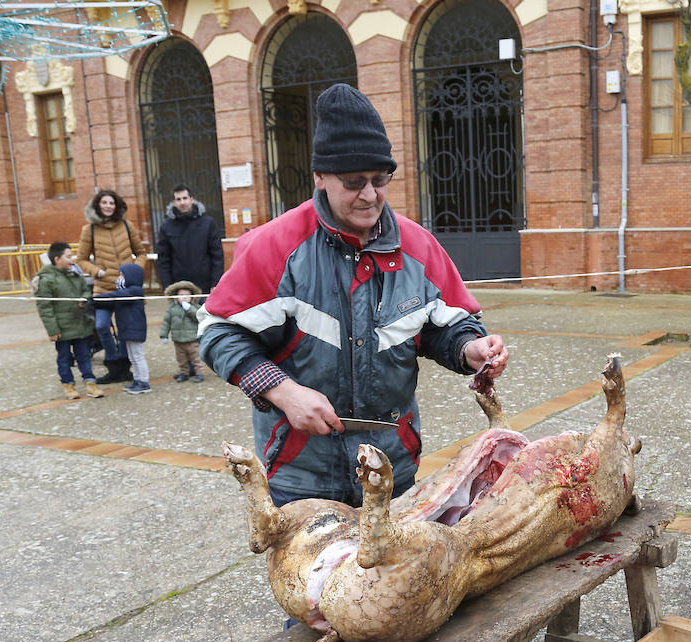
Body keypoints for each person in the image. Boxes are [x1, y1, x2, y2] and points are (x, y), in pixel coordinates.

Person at [199, 83, 509, 508]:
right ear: (320, 178)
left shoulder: (419, 249)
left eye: (380, 180)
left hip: (392, 465)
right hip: (300, 472)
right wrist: (283, 392)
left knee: (390, 575)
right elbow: (219, 333)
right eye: (353, 182)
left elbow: (448, 325)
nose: (369, 195)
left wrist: (470, 347)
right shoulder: (274, 248)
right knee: (313, 576)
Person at [78, 188, 145, 385]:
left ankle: (124, 367)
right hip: (103, 288)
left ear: (116, 206)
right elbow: (81, 259)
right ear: (98, 205)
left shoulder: (126, 226)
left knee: (126, 330)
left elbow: (141, 252)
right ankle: (112, 361)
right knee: (101, 326)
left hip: (125, 289)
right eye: (104, 202)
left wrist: (135, 271)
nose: (108, 206)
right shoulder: (89, 229)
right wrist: (97, 271)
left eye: (111, 203)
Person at [35, 242, 102, 400]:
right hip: (62, 329)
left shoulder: (75, 275)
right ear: (57, 259)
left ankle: (90, 383)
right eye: (68, 256)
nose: (72, 260)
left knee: (84, 356)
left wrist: (85, 300)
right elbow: (45, 307)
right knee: (64, 358)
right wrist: (52, 330)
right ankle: (68, 385)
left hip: (80, 325)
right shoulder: (46, 280)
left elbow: (85, 290)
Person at [93, 262, 152, 394]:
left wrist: (95, 298)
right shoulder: (125, 292)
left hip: (135, 330)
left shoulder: (134, 291)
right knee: (132, 357)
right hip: (127, 330)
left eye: (122, 276)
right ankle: (137, 380)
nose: (119, 279)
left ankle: (144, 382)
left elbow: (113, 296)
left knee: (138, 356)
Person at [155, 184, 225, 293]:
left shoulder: (208, 223)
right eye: (178, 199)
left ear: (191, 199)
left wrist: (216, 282)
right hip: (179, 288)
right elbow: (163, 259)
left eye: (185, 198)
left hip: (206, 286)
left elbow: (217, 255)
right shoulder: (166, 226)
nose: (182, 202)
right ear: (174, 202)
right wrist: (167, 286)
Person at [160, 280, 206, 382]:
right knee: (181, 359)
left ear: (192, 297)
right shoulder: (172, 308)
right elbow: (166, 322)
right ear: (176, 296)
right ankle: (184, 373)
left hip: (192, 340)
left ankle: (199, 373)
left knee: (196, 359)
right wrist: (164, 335)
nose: (184, 297)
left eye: (187, 295)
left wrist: (189, 309)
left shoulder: (195, 307)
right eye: (181, 295)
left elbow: (198, 317)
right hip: (178, 340)